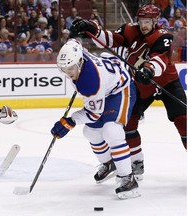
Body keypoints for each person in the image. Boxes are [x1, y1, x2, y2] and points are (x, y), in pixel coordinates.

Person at [71, 4, 187, 180]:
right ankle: (136, 162)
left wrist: (148, 69)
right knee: (128, 123)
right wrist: (92, 28)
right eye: (141, 21)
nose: (144, 25)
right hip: (141, 85)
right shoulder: (130, 30)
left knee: (184, 121)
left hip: (167, 83)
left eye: (148, 21)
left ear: (155, 21)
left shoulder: (163, 36)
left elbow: (160, 59)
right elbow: (111, 39)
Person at [51, 39, 139, 200]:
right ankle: (108, 164)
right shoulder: (78, 55)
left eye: (70, 68)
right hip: (105, 84)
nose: (67, 72)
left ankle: (128, 177)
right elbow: (75, 41)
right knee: (91, 132)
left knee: (111, 131)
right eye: (64, 68)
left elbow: (93, 114)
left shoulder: (89, 81)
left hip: (120, 89)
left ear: (79, 63)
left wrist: (70, 121)